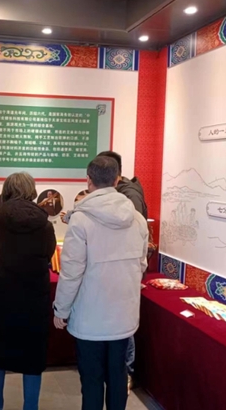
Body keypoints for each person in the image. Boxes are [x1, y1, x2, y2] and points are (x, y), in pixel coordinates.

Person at [53, 156, 148, 410]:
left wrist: (61, 310)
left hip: (89, 317)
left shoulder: (80, 220)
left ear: (88, 180)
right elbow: (141, 265)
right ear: (117, 180)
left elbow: (71, 272)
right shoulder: (137, 219)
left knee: (92, 380)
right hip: (123, 316)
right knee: (118, 376)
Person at [0, 172, 57, 410]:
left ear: (6, 191)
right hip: (34, 300)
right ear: (32, 191)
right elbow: (48, 254)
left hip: (0, 298)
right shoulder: (45, 226)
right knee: (33, 358)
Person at [97, 150, 148, 387]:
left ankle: (125, 373)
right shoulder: (120, 193)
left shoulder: (129, 196)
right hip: (119, 268)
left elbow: (130, 236)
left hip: (124, 270)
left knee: (123, 326)